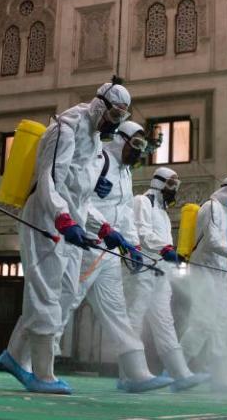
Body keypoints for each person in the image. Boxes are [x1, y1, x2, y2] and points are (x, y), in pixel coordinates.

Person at [0, 81, 131, 394]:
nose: (114, 121)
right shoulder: (65, 129)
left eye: (120, 117)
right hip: (45, 220)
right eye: (112, 113)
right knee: (46, 292)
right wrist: (62, 218)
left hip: (71, 224)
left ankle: (15, 356)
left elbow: (79, 195)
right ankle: (43, 374)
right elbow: (49, 182)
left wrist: (104, 227)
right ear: (99, 104)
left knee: (66, 293)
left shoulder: (96, 139)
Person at [61, 121, 173, 393]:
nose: (138, 152)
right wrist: (104, 228)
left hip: (109, 252)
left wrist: (132, 246)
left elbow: (123, 213)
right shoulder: (99, 160)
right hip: (87, 247)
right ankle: (21, 356)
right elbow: (78, 200)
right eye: (135, 144)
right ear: (120, 138)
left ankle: (136, 373)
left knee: (118, 314)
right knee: (62, 302)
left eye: (142, 147)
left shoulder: (124, 174)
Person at [123, 167, 210, 391]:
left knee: (165, 325)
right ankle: (128, 375)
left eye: (176, 184)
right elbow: (142, 233)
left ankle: (180, 374)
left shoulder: (162, 210)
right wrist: (165, 249)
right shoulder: (143, 201)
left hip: (160, 274)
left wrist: (172, 257)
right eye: (171, 184)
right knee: (134, 320)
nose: (175, 189)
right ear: (159, 182)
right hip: (142, 272)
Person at [178, 176, 227, 391]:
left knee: (220, 325)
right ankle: (176, 370)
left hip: (220, 275)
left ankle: (220, 378)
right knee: (202, 322)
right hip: (204, 271)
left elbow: (222, 248)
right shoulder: (211, 207)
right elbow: (212, 242)